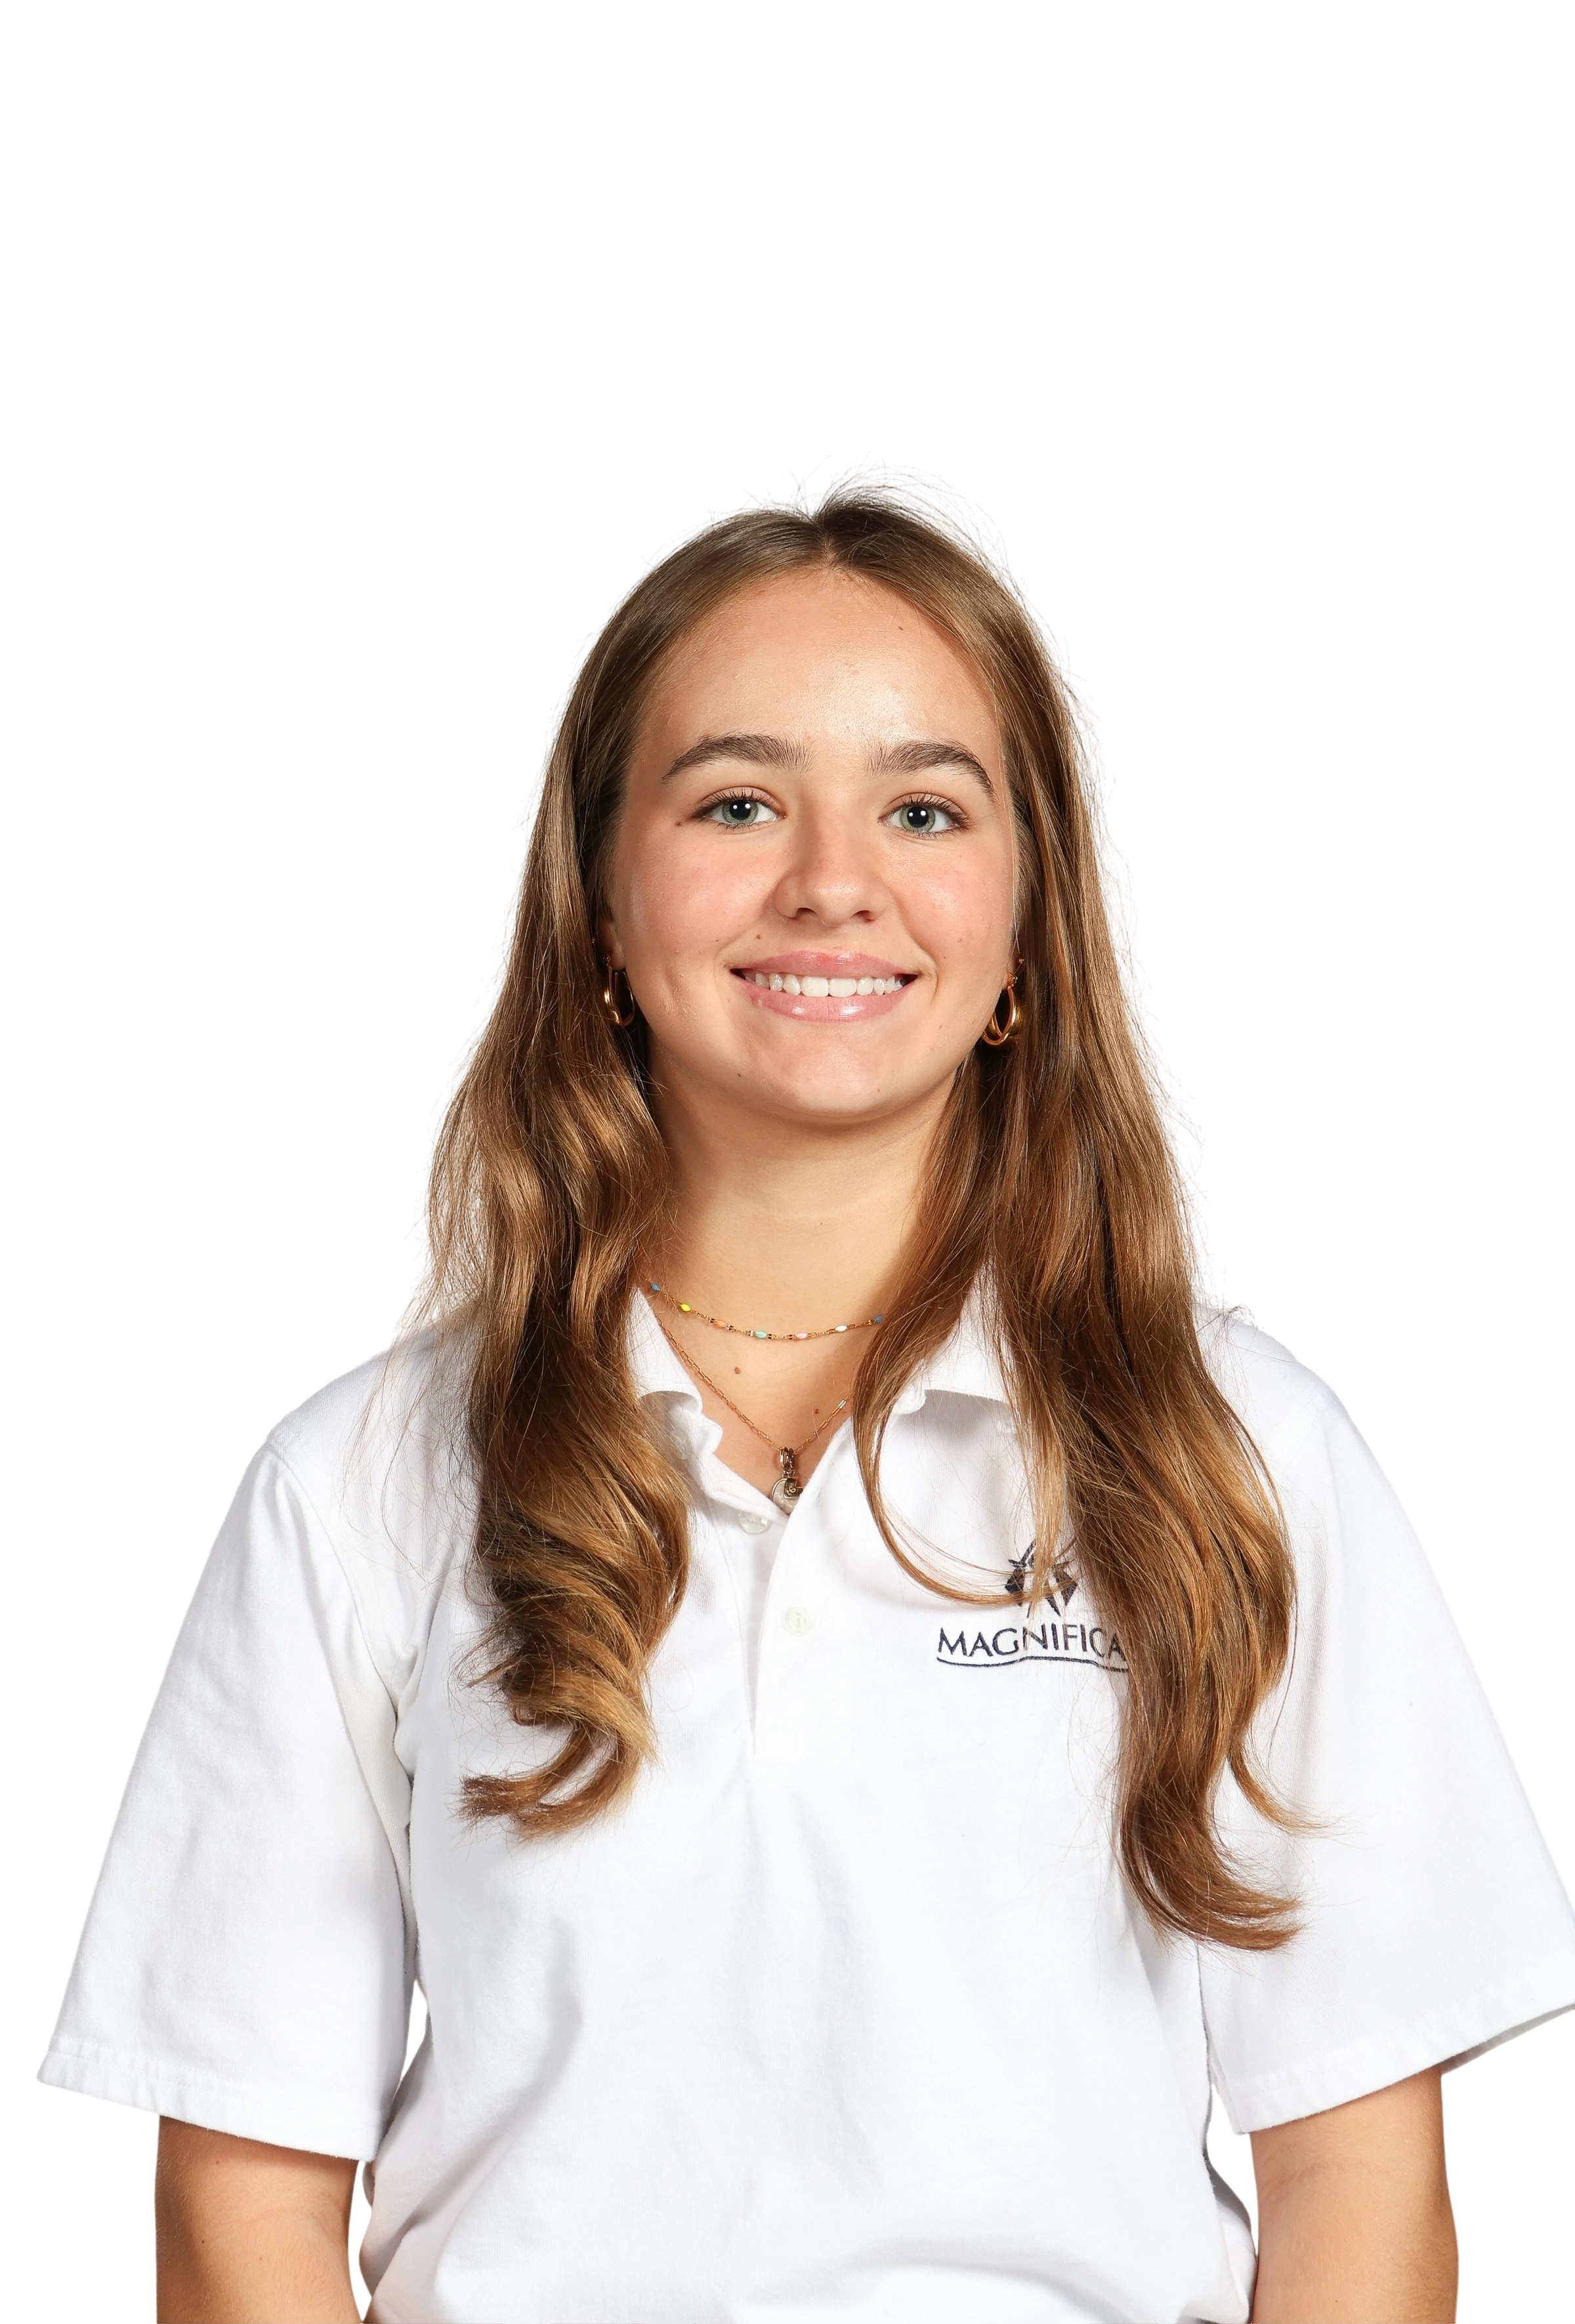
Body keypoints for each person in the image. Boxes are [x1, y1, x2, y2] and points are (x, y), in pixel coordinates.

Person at [35, 453, 1574, 2324]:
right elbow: (243, 2190)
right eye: (739, 801)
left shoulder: (1240, 1449)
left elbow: (1359, 2173)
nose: (835, 885)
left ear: (1033, 920)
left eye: (925, 808)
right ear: (601, 904)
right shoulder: (364, 1480)